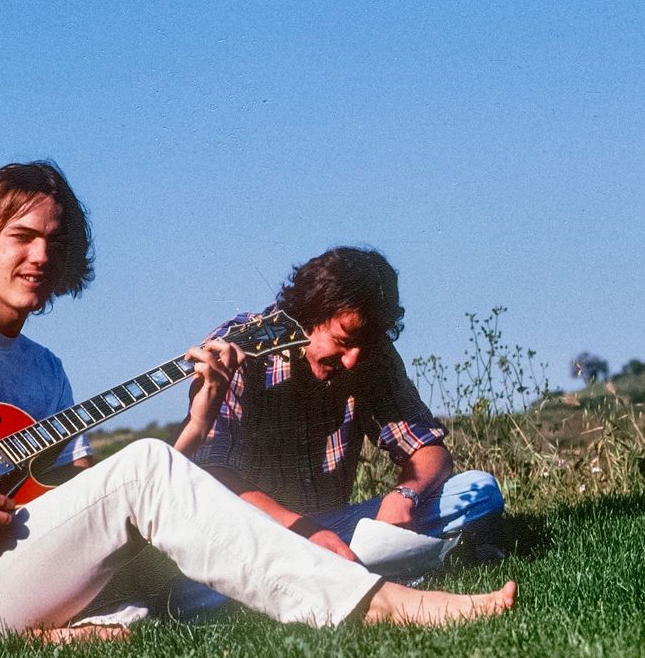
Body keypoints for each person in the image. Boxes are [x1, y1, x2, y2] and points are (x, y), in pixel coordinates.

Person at [0, 162, 514, 651]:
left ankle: (55, 634)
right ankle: (382, 606)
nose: (40, 257)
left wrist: (198, 419)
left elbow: (101, 507)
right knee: (149, 482)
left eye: (55, 244)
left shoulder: (46, 372)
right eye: (22, 236)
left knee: (158, 536)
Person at [191, 247, 505, 578]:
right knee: (201, 580)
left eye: (363, 345)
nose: (353, 359)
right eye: (343, 339)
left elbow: (428, 449)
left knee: (479, 489)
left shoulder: (369, 353)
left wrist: (405, 495)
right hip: (256, 535)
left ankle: (341, 570)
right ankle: (364, 570)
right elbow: (212, 476)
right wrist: (305, 532)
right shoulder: (238, 347)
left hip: (335, 530)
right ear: (308, 317)